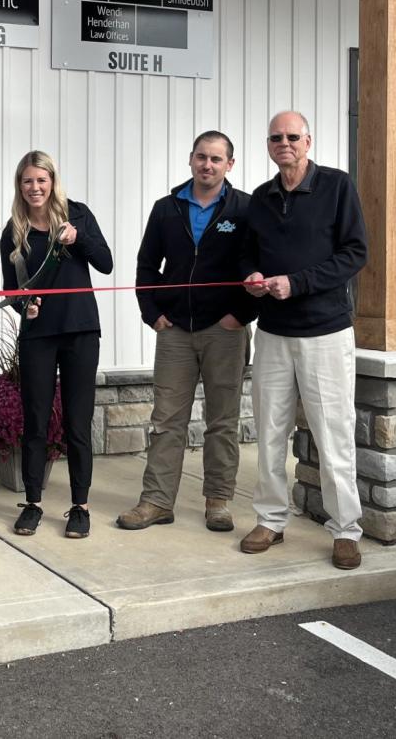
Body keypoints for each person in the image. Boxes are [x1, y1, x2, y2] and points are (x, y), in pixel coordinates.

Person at [240, 110, 369, 570]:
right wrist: (251, 278)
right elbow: (245, 257)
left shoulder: (337, 187)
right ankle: (271, 521)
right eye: (275, 137)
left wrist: (298, 283)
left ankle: (346, 530)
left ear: (308, 141)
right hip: (273, 333)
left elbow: (356, 253)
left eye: (292, 136)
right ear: (268, 145)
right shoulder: (260, 198)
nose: (284, 143)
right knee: (270, 433)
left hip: (326, 333)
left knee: (334, 434)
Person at [119, 131, 255, 534]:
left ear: (230, 164)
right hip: (175, 330)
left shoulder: (245, 209)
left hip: (225, 331)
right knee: (166, 420)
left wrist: (240, 315)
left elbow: (258, 267)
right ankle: (157, 501)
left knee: (222, 421)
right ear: (191, 160)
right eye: (201, 157)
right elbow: (146, 266)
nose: (207, 165)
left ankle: (218, 501)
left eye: (216, 159)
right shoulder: (166, 209)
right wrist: (153, 315)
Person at [0, 151, 113, 539]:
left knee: (78, 422)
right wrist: (23, 307)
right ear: (20, 185)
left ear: (52, 181)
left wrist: (79, 238)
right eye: (27, 181)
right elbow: (11, 291)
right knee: (35, 420)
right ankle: (32, 502)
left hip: (80, 329)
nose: (35, 188)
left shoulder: (77, 214)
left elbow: (106, 263)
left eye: (41, 180)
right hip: (38, 336)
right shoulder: (12, 233)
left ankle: (79, 507)